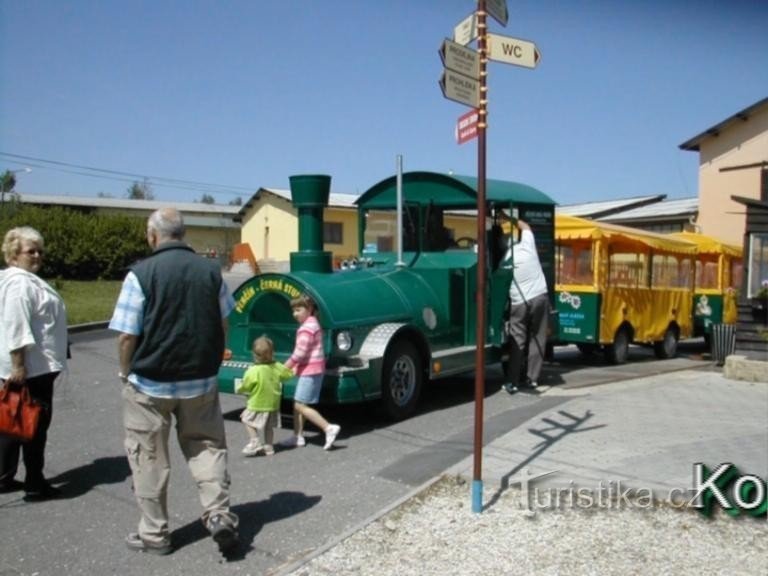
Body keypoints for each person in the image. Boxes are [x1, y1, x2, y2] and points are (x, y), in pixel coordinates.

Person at [109, 207, 238, 556]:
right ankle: (218, 515)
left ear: (153, 235)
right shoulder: (212, 272)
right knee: (207, 448)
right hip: (200, 381)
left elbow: (126, 336)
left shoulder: (141, 274)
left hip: (150, 383)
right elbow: (224, 323)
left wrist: (125, 373)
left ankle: (155, 535)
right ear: (183, 234)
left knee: (148, 457)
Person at [0, 227, 68, 501]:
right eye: (31, 251)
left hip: (30, 368)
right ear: (14, 255)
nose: (37, 255)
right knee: (33, 427)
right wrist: (18, 366)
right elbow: (16, 325)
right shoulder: (20, 284)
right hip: (30, 369)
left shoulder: (19, 280)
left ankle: (4, 477)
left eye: (40, 250)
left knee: (11, 422)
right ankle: (35, 484)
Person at [279, 294, 341, 451]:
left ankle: (328, 427)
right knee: (299, 402)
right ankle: (297, 436)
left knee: (300, 405)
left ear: (310, 309)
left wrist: (285, 366)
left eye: (298, 310)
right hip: (314, 368)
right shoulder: (313, 323)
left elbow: (300, 353)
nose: (295, 314)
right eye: (293, 310)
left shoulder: (306, 328)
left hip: (310, 370)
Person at [504, 219, 549, 394]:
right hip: (539, 296)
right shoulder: (528, 245)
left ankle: (513, 381)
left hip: (519, 302)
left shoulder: (506, 258)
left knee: (518, 341)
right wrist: (509, 217)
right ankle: (532, 379)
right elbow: (526, 227)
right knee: (537, 338)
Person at [235, 335, 293, 457]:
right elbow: (287, 375)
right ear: (272, 353)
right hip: (273, 404)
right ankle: (269, 447)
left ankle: (255, 441)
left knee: (246, 419)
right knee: (269, 427)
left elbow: (246, 385)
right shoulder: (277, 366)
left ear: (254, 354)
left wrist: (239, 389)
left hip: (257, 403)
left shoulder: (253, 370)